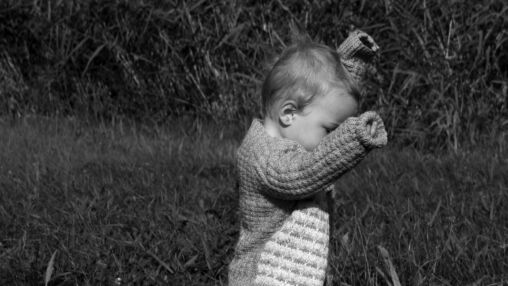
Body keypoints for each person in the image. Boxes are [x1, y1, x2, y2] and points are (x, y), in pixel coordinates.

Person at [228, 27, 387, 286]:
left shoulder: (289, 139)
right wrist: (353, 140)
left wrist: (352, 60)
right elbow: (302, 172)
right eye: (330, 130)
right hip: (263, 278)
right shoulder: (264, 157)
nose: (333, 139)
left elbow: (330, 90)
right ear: (288, 114)